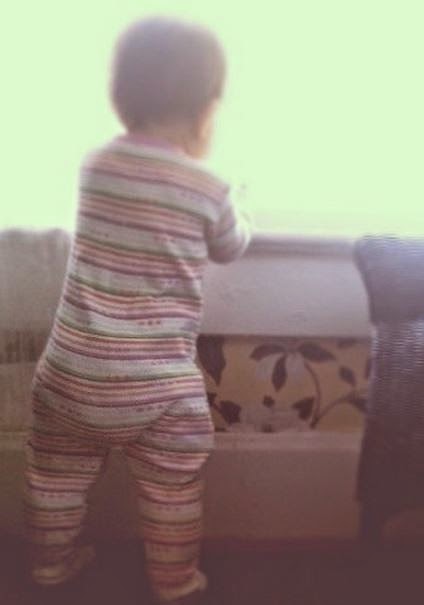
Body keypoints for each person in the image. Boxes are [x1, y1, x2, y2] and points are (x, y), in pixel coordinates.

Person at [23, 15, 250, 604]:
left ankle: (50, 568)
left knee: (54, 479)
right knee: (173, 487)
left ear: (121, 98)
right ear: (207, 110)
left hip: (71, 372)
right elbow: (230, 245)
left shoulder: (95, 166)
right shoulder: (208, 187)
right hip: (158, 386)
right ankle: (174, 582)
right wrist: (240, 205)